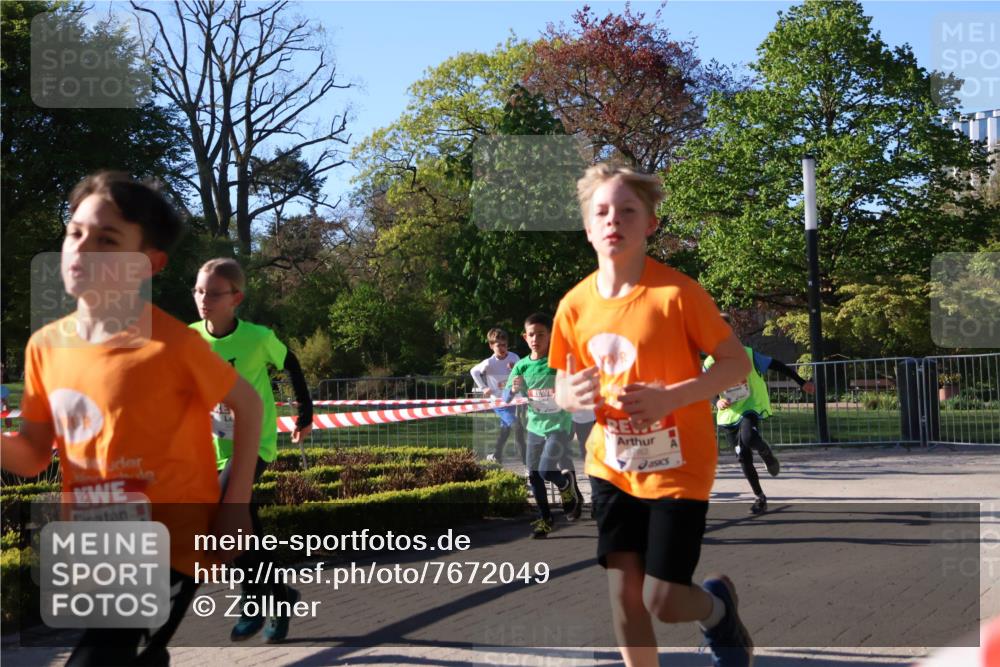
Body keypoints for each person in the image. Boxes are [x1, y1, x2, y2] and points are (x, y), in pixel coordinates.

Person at [1, 171, 261, 666]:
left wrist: (236, 503)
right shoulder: (45, 347)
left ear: (148, 263)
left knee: (99, 656)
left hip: (169, 544)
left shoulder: (173, 344)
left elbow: (248, 405)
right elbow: (34, 457)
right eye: (75, 233)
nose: (83, 249)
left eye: (107, 240)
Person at [551, 162, 755, 667]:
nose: (612, 220)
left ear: (651, 224)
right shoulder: (573, 306)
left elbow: (736, 365)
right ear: (587, 226)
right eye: (601, 211)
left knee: (661, 601)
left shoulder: (678, 294)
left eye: (627, 210)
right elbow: (560, 383)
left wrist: (673, 397)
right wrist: (570, 396)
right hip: (611, 464)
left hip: (677, 467)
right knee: (625, 597)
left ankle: (717, 608)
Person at [191, 257, 314, 643]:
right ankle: (280, 596)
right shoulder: (191, 336)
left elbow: (291, 365)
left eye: (213, 293)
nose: (203, 299)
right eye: (198, 291)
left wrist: (304, 414)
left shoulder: (258, 337)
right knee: (247, 533)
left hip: (253, 444)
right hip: (214, 446)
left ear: (236, 298)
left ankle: (253, 598)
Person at [704, 314, 815, 514]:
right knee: (743, 457)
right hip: (729, 413)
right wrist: (716, 400)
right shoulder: (710, 362)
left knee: (749, 437)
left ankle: (766, 454)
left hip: (751, 405)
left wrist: (801, 382)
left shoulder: (748, 354)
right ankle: (760, 498)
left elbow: (777, 365)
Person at [505, 313, 583, 538]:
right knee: (534, 475)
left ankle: (566, 484)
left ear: (550, 336)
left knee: (546, 469)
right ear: (525, 337)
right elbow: (505, 398)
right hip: (535, 427)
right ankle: (545, 519)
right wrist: (511, 390)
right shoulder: (521, 366)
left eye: (541, 334)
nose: (535, 339)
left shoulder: (558, 362)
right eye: (531, 335)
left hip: (559, 425)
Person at [470, 327, 526, 465]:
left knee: (505, 429)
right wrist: (484, 387)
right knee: (517, 426)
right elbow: (474, 371)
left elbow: (522, 374)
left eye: (504, 345)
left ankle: (496, 456)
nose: (502, 348)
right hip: (498, 402)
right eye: (498, 345)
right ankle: (528, 463)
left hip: (512, 399)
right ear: (491, 346)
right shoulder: (489, 362)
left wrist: (515, 370)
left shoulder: (514, 357)